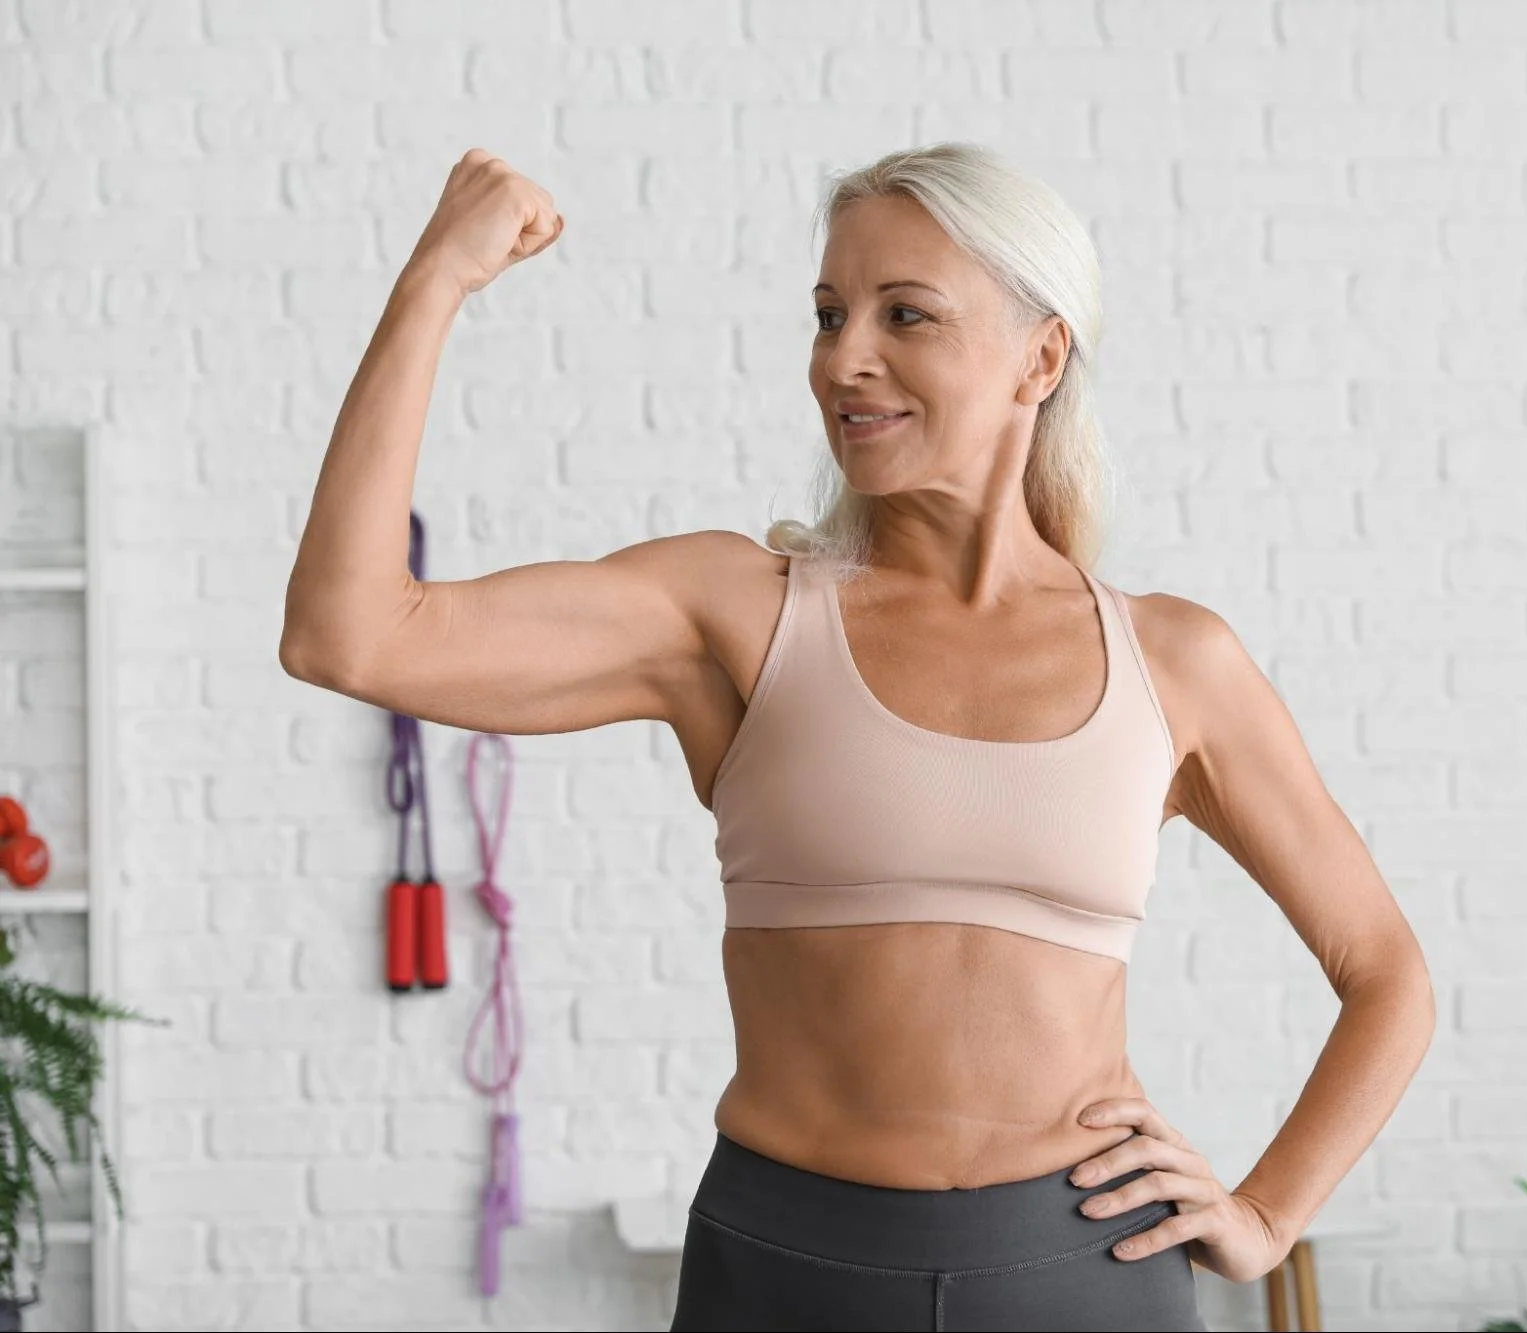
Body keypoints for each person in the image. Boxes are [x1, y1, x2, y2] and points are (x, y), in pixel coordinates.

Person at [280, 141, 1435, 1332]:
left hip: (1084, 1272)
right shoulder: (733, 612)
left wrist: (1265, 1212)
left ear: (1040, 357)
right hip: (786, 1271)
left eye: (906, 314)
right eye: (829, 314)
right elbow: (348, 635)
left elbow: (1386, 974)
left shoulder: (1175, 663)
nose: (845, 358)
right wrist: (434, 285)